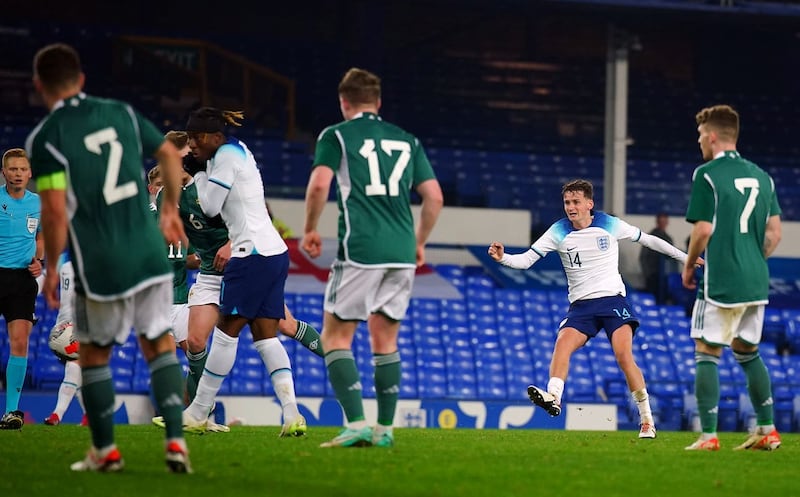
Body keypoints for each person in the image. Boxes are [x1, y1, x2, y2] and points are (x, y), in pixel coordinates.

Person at [26, 43, 191, 473]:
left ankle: (105, 451)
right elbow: (170, 153)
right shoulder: (121, 111)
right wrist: (171, 209)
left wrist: (50, 264)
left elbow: (57, 210)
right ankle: (176, 443)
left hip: (100, 262)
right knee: (158, 345)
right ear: (81, 79)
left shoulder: (45, 138)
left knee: (93, 356)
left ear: (39, 85)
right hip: (150, 254)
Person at [488, 179, 701, 439]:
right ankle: (554, 397)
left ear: (590, 204)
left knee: (623, 355)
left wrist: (685, 258)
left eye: (576, 202)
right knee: (562, 344)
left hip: (612, 301)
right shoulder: (558, 231)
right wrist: (503, 257)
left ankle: (647, 420)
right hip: (581, 307)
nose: (570, 207)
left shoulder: (610, 224)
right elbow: (526, 260)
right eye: (567, 202)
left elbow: (649, 241)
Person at [302, 67, 443, 448]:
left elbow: (319, 183)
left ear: (343, 102)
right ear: (378, 102)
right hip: (401, 252)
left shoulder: (337, 135)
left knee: (335, 336)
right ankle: (384, 431)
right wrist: (419, 242)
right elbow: (434, 197)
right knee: (385, 340)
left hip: (362, 248)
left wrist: (311, 227)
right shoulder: (407, 139)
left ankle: (356, 423)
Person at [176, 109, 307, 437]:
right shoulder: (239, 150)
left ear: (214, 137)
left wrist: (198, 175)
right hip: (274, 252)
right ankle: (292, 414)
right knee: (266, 336)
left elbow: (208, 206)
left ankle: (196, 411)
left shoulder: (224, 158)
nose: (191, 145)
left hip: (251, 255)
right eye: (189, 139)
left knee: (225, 332)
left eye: (195, 138)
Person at [682, 104, 783, 451]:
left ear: (711, 137)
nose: (699, 142)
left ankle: (709, 436)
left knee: (707, 350)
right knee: (747, 350)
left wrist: (689, 263)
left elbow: (703, 229)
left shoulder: (707, 174)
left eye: (699, 136)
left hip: (722, 280)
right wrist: (752, 259)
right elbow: (774, 232)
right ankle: (767, 430)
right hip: (756, 280)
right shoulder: (762, 176)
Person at [0, 148, 43, 430]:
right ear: (4, 173)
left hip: (22, 281)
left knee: (20, 342)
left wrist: (39, 260)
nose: (17, 174)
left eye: (22, 169)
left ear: (29, 173)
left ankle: (11, 412)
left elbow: (41, 235)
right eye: (12, 169)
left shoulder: (37, 202)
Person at [43, 252, 88, 426]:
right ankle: (90, 416)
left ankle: (57, 414)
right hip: (64, 326)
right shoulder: (64, 266)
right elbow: (47, 276)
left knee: (73, 366)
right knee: (78, 372)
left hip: (85, 325)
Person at [638, 212, 674, 303]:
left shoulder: (668, 238)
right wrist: (648, 274)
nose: (663, 224)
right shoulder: (650, 237)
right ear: (657, 222)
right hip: (652, 277)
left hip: (666, 277)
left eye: (665, 221)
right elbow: (643, 257)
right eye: (661, 221)